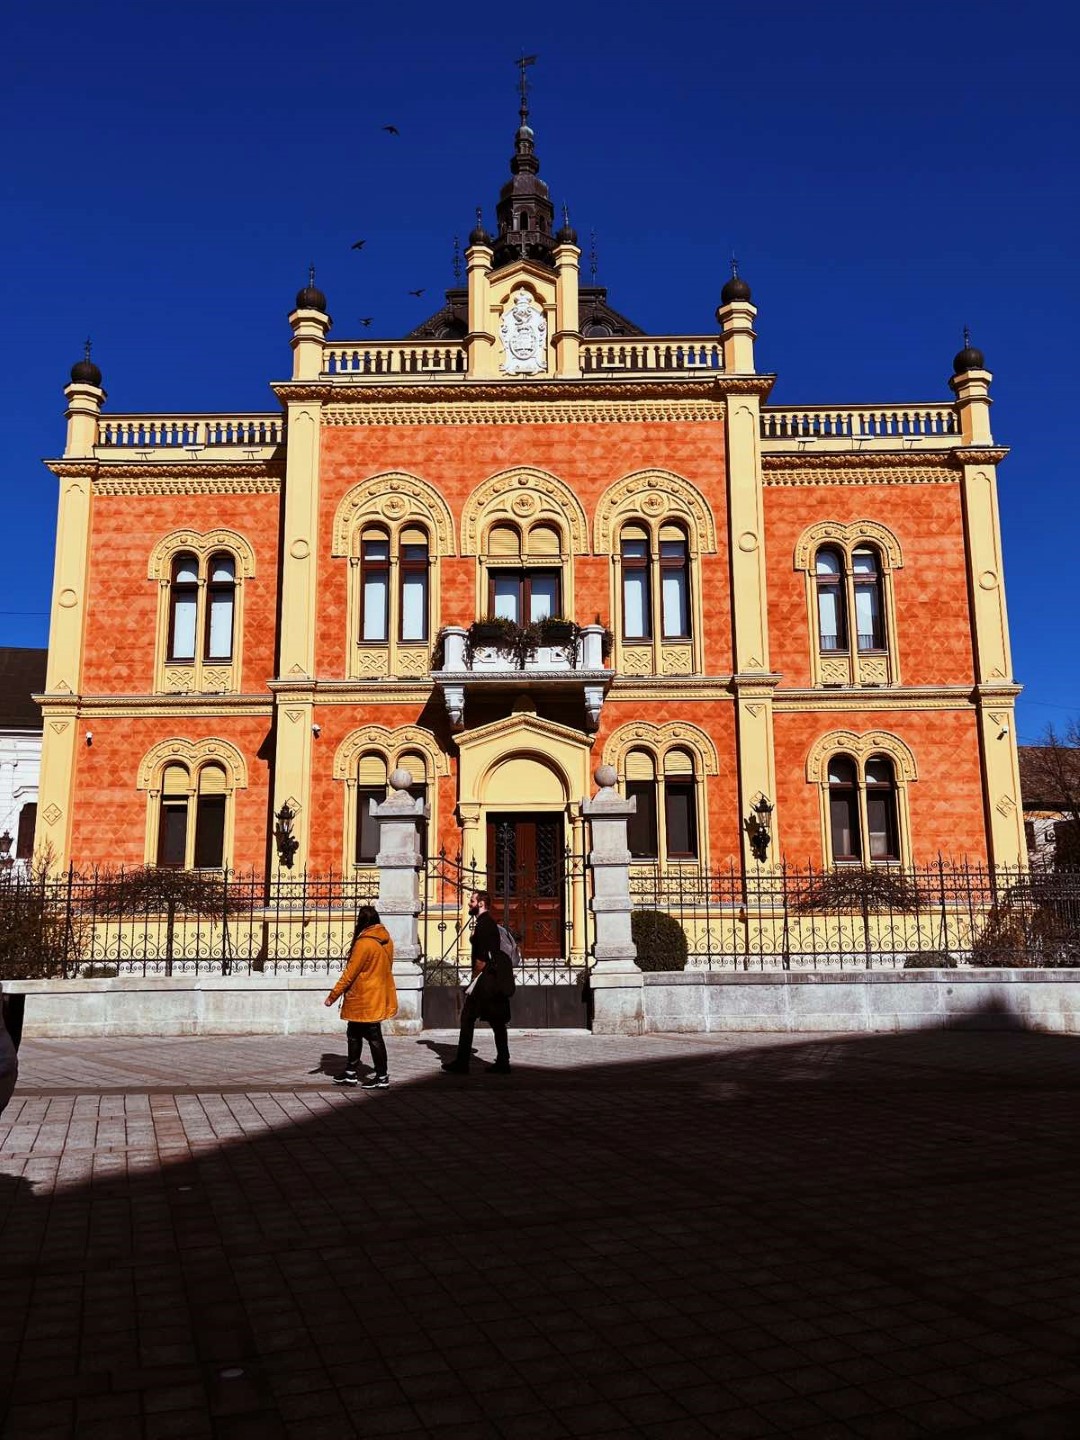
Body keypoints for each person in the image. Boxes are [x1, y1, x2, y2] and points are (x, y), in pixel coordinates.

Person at [324, 905, 396, 1089]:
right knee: (354, 1034)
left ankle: (382, 1077)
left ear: (361, 921)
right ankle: (350, 1072)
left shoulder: (364, 943)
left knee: (373, 1036)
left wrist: (333, 995)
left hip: (363, 997)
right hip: (376, 995)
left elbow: (350, 973)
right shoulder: (386, 940)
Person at [443, 889, 512, 1075]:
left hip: (485, 980)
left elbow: (481, 959)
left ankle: (462, 1062)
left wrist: (473, 980)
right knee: (497, 1021)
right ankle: (503, 1061)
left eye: (472, 901)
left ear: (481, 903)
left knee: (468, 1018)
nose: (469, 904)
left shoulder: (484, 925)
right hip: (492, 979)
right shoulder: (487, 922)